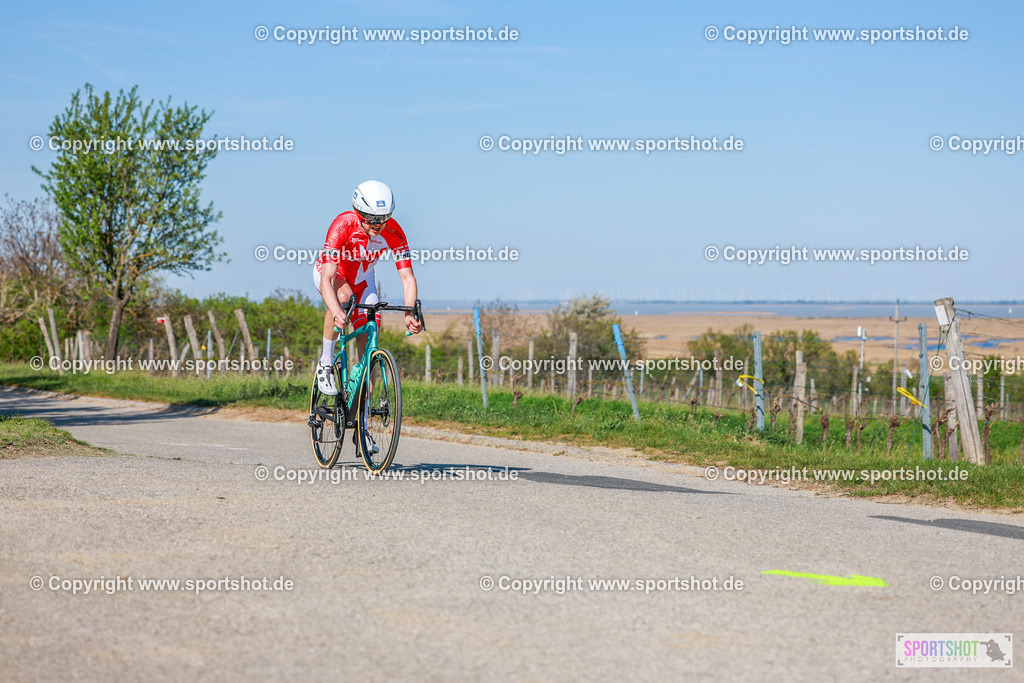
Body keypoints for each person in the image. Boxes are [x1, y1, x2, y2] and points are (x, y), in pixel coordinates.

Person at [313, 180, 422, 395]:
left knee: (370, 334)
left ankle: (363, 408)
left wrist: (410, 312)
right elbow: (327, 278)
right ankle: (325, 364)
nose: (378, 225)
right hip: (334, 276)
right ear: (358, 212)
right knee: (343, 297)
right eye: (371, 219)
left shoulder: (394, 232)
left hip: (364, 281)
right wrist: (336, 311)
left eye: (384, 219)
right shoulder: (342, 225)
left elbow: (407, 277)